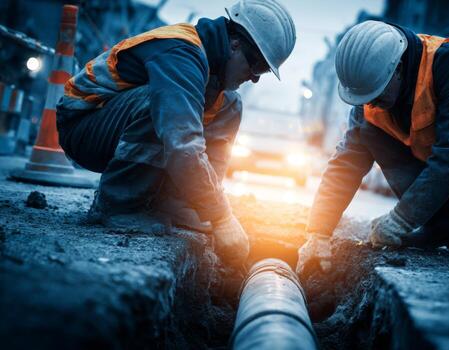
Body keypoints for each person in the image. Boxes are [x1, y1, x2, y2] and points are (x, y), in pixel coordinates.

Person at [56, 0, 296, 266]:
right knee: (166, 106)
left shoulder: (209, 68)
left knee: (230, 104)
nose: (255, 78)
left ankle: (179, 202)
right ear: (235, 45)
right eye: (258, 67)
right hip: (84, 125)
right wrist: (222, 217)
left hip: (110, 125)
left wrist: (208, 206)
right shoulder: (180, 53)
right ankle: (117, 203)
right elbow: (183, 142)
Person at [297, 20, 449, 279]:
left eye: (376, 94)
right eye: (365, 98)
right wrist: (318, 232)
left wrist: (400, 220)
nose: (371, 104)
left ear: (398, 69)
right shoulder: (372, 97)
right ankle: (445, 225)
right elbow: (345, 164)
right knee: (372, 131)